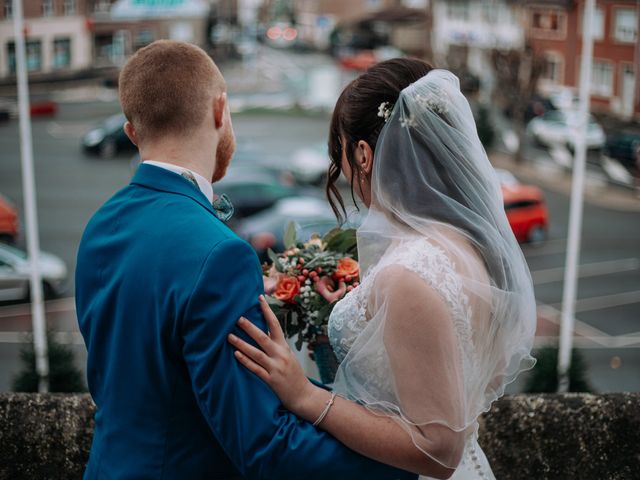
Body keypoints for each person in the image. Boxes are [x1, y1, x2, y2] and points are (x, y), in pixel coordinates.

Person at [75, 40, 417, 480]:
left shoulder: (100, 226)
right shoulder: (221, 255)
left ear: (132, 133)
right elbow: (263, 447)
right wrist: (406, 465)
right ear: (220, 111)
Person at [229, 60, 537, 479]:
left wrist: (305, 396)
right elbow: (460, 370)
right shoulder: (470, 246)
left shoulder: (408, 272)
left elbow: (438, 449)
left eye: (341, 151)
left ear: (363, 153)